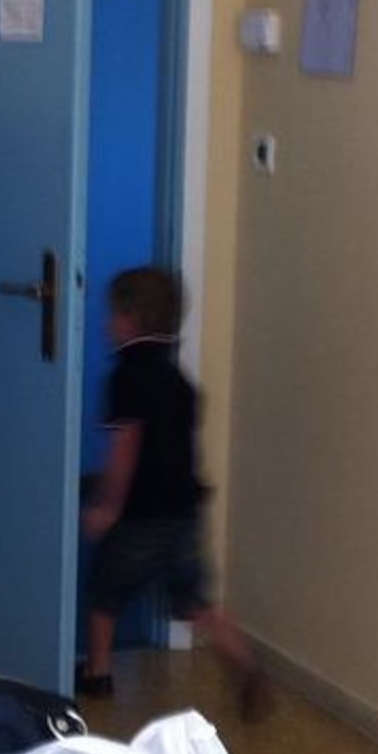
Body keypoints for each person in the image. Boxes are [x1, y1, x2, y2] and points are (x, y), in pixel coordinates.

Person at [77, 266, 269, 720]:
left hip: (141, 516)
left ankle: (98, 674)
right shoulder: (178, 380)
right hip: (184, 512)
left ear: (128, 321)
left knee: (104, 595)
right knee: (196, 603)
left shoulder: (126, 377)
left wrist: (107, 505)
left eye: (111, 314)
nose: (106, 323)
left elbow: (126, 449)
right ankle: (245, 665)